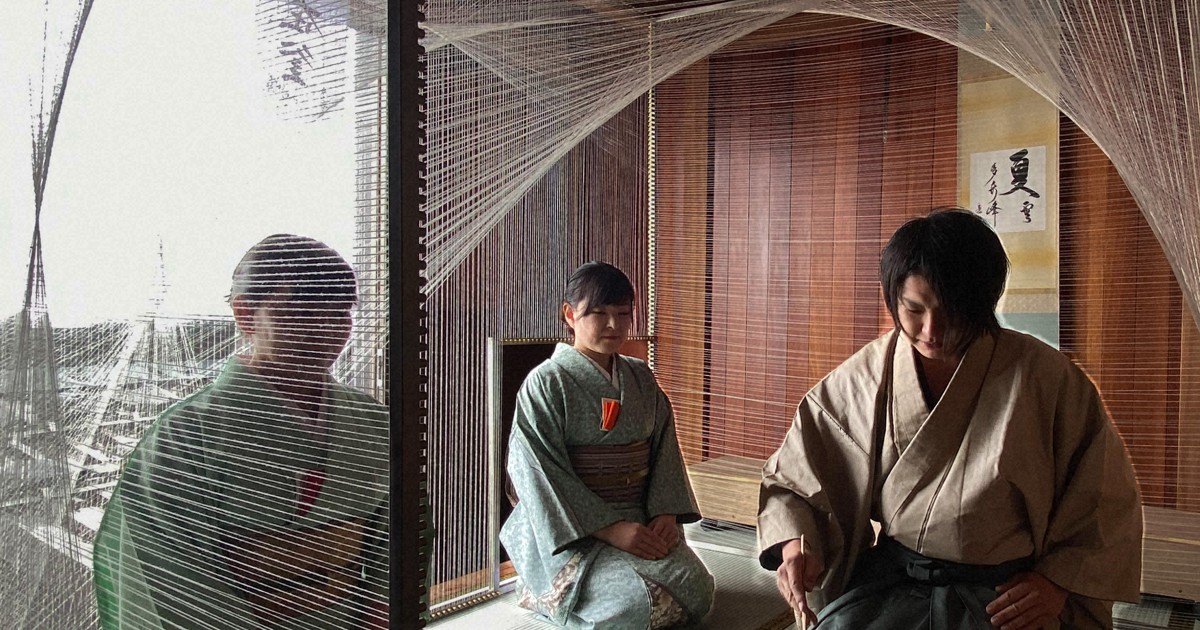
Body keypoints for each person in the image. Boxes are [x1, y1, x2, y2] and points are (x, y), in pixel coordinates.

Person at [758, 209, 1143, 630]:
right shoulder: (868, 377)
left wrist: (1057, 583)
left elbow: (1101, 499)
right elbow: (797, 479)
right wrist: (797, 546)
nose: (931, 329)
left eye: (951, 310)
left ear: (982, 301)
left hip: (1006, 597)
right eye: (913, 309)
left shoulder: (1046, 379)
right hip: (893, 587)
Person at [93, 234, 389, 630]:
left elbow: (400, 543)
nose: (327, 324)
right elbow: (164, 577)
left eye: (341, 310)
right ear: (245, 314)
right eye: (303, 308)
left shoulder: (375, 422)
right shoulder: (183, 437)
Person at [500, 261, 715, 629]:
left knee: (697, 587)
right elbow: (535, 470)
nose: (614, 325)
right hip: (574, 533)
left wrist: (664, 513)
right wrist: (611, 529)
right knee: (637, 603)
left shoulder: (639, 376)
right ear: (569, 315)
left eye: (623, 314)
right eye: (599, 313)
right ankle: (541, 589)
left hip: (638, 518)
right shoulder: (546, 383)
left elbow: (663, 446)